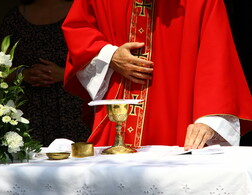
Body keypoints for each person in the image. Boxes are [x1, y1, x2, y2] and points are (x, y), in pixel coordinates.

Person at [62, 0, 252, 150]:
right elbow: (79, 28)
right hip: (117, 118)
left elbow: (217, 60)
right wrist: (109, 56)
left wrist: (208, 121)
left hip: (177, 120)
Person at [0, 0, 91, 146]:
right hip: (29, 107)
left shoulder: (78, 10)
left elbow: (100, 60)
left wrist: (64, 73)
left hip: (72, 104)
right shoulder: (14, 17)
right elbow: (0, 67)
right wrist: (23, 74)